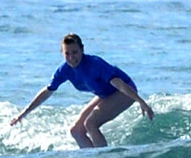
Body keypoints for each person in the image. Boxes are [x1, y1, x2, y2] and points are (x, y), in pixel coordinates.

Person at [10, 34, 155, 149]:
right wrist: (24, 113)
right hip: (105, 94)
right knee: (76, 131)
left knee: (90, 123)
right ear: (62, 53)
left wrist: (141, 102)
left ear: (82, 50)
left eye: (75, 52)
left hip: (124, 91)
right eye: (67, 54)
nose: (72, 58)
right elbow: (47, 92)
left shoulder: (95, 64)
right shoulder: (64, 70)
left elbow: (119, 83)